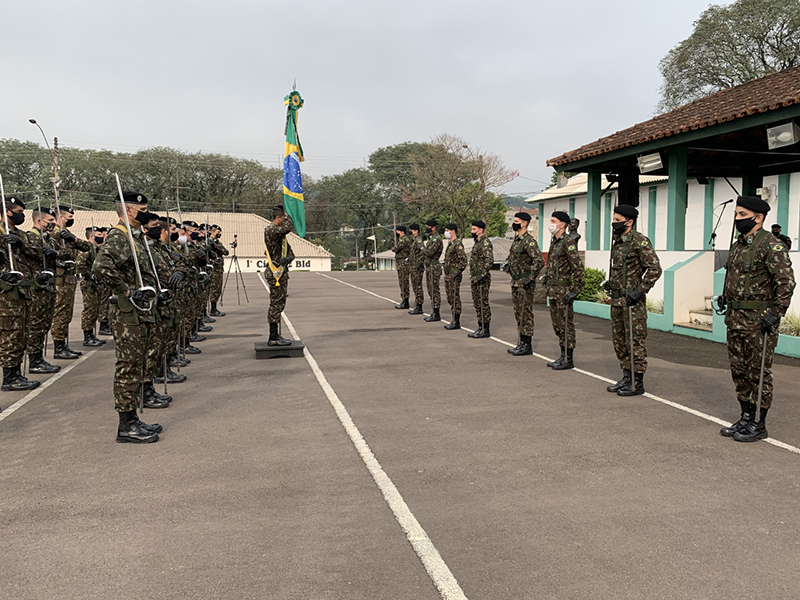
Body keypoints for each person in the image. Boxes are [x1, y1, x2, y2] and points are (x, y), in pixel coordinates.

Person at [719, 197, 796, 442]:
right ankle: (745, 416)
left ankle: (758, 424)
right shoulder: (737, 245)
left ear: (758, 217)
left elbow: (786, 282)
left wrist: (776, 313)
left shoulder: (770, 245)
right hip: (735, 318)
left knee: (758, 372)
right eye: (736, 214)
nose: (737, 218)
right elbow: (734, 276)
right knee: (739, 370)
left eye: (742, 214)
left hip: (758, 321)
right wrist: (725, 296)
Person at [93, 191, 164, 444]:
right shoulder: (119, 235)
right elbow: (100, 266)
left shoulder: (133, 237)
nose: (146, 212)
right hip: (127, 313)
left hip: (139, 311)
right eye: (143, 208)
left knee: (136, 365)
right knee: (128, 366)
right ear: (130, 210)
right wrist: (126, 290)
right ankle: (125, 425)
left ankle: (132, 418)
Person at [604, 205, 662, 396]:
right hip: (617, 300)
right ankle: (626, 376)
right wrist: (610, 283)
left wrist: (640, 290)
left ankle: (637, 382)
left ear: (629, 222)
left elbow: (654, 268)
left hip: (632, 302)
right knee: (619, 341)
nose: (614, 223)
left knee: (634, 341)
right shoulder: (617, 241)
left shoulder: (639, 241)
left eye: (617, 220)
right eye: (613, 219)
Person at [0, 197, 42, 394]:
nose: (21, 215)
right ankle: (9, 377)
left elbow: (37, 253)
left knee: (21, 334)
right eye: (18, 211)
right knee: (11, 334)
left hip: (23, 292)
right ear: (8, 212)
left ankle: (16, 373)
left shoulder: (20, 235)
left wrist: (21, 244)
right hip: (6, 295)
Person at [25, 207, 64, 375]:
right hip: (37, 288)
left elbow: (65, 254)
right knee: (36, 324)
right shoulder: (30, 237)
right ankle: (34, 360)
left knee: (45, 323)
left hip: (49, 286)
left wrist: (55, 253)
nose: (53, 224)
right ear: (39, 221)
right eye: (50, 221)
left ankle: (39, 358)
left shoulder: (49, 239)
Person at [51, 205, 92, 360]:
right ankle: (58, 346)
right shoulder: (53, 233)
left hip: (69, 278)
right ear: (60, 217)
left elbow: (86, 246)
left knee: (66, 312)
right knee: (60, 312)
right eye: (69, 217)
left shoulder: (67, 234)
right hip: (60, 279)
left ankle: (63, 344)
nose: (71, 220)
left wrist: (73, 239)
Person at [544, 211, 585, 369]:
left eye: (553, 221)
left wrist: (574, 290)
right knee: (558, 325)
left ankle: (569, 358)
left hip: (563, 290)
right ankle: (562, 355)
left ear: (562, 224)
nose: (551, 224)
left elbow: (578, 268)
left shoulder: (568, 242)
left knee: (566, 324)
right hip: (554, 290)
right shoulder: (555, 242)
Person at [504, 212, 544, 356]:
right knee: (518, 313)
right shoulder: (517, 240)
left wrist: (531, 277)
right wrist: (508, 264)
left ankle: (527, 344)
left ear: (525, 223)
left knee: (525, 313)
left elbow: (539, 261)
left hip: (524, 282)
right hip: (515, 281)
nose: (513, 224)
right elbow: (513, 257)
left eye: (516, 221)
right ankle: (521, 342)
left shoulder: (528, 241)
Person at [264, 205, 295, 346]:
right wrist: (289, 213)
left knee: (280, 303)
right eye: (283, 218)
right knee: (275, 304)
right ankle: (273, 337)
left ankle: (276, 335)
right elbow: (287, 228)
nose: (284, 220)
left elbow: (290, 252)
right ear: (278, 218)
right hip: (274, 272)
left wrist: (289, 258)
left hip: (282, 271)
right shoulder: (270, 230)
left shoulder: (280, 236)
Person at [77, 226, 108, 348]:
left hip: (97, 284)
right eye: (98, 235)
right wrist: (89, 275)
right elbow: (80, 265)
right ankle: (87, 335)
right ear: (91, 236)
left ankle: (92, 334)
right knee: (89, 309)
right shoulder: (86, 249)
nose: (101, 237)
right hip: (89, 283)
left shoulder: (97, 249)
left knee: (95, 309)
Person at [467, 220, 493, 339]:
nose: (472, 231)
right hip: (475, 276)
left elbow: (489, 260)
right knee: (477, 302)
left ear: (481, 230)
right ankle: (480, 326)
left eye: (474, 229)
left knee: (483, 302)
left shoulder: (485, 243)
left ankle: (485, 328)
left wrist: (482, 274)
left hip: (481, 278)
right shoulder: (477, 242)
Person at [442, 223, 467, 330]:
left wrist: (457, 272)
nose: (446, 232)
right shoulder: (450, 244)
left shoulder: (457, 244)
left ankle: (456, 321)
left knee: (454, 297)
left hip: (454, 275)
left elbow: (463, 260)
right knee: (450, 297)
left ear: (453, 231)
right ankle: (453, 319)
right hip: (448, 274)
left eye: (448, 230)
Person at [422, 219, 443, 322]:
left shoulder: (437, 239)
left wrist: (422, 248)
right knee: (430, 290)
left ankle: (436, 313)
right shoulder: (431, 239)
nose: (427, 229)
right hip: (429, 267)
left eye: (428, 227)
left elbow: (430, 252)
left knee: (434, 290)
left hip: (434, 268)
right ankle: (434, 312)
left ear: (434, 227)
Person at [208, 224, 229, 317]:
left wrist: (217, 247)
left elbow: (226, 252)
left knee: (218, 288)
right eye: (217, 232)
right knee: (214, 289)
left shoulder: (217, 242)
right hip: (213, 269)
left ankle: (214, 308)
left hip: (219, 268)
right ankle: (212, 309)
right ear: (212, 232)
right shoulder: (208, 242)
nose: (219, 234)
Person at [391, 225, 412, 309]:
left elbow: (395, 248)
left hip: (403, 263)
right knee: (402, 282)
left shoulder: (404, 240)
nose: (397, 233)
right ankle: (404, 300)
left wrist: (393, 247)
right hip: (400, 263)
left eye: (398, 231)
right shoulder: (402, 240)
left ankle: (405, 301)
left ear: (402, 232)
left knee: (404, 282)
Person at [407, 224, 425, 315]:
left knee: (418, 286)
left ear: (416, 231)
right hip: (412, 266)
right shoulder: (413, 240)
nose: (410, 232)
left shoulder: (418, 240)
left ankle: (419, 306)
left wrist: (420, 262)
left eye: (412, 230)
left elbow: (422, 251)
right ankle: (417, 305)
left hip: (416, 267)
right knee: (415, 286)